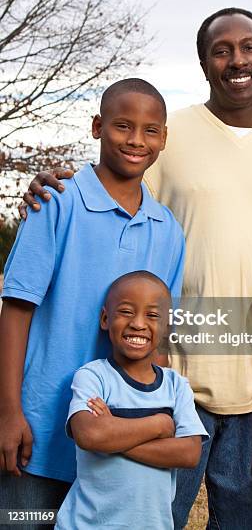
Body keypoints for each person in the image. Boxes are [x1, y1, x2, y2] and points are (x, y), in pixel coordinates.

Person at [19, 8, 252, 529]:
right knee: (147, 515)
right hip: (172, 376)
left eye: (248, 47)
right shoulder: (173, 136)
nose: (237, 59)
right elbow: (114, 194)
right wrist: (51, 187)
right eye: (221, 50)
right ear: (203, 62)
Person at [0, 79, 185, 519]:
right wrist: (8, 411)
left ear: (163, 138)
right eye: (123, 126)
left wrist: (147, 429)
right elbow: (16, 309)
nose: (136, 140)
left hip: (117, 442)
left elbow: (158, 344)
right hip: (39, 433)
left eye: (150, 130)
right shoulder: (57, 203)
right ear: (97, 126)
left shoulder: (168, 230)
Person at [55, 270, 208, 530]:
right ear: (105, 318)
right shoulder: (93, 376)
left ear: (167, 326)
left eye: (152, 315)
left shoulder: (176, 387)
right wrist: (159, 426)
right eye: (126, 311)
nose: (138, 323)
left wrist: (113, 434)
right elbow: (90, 436)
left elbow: (189, 453)